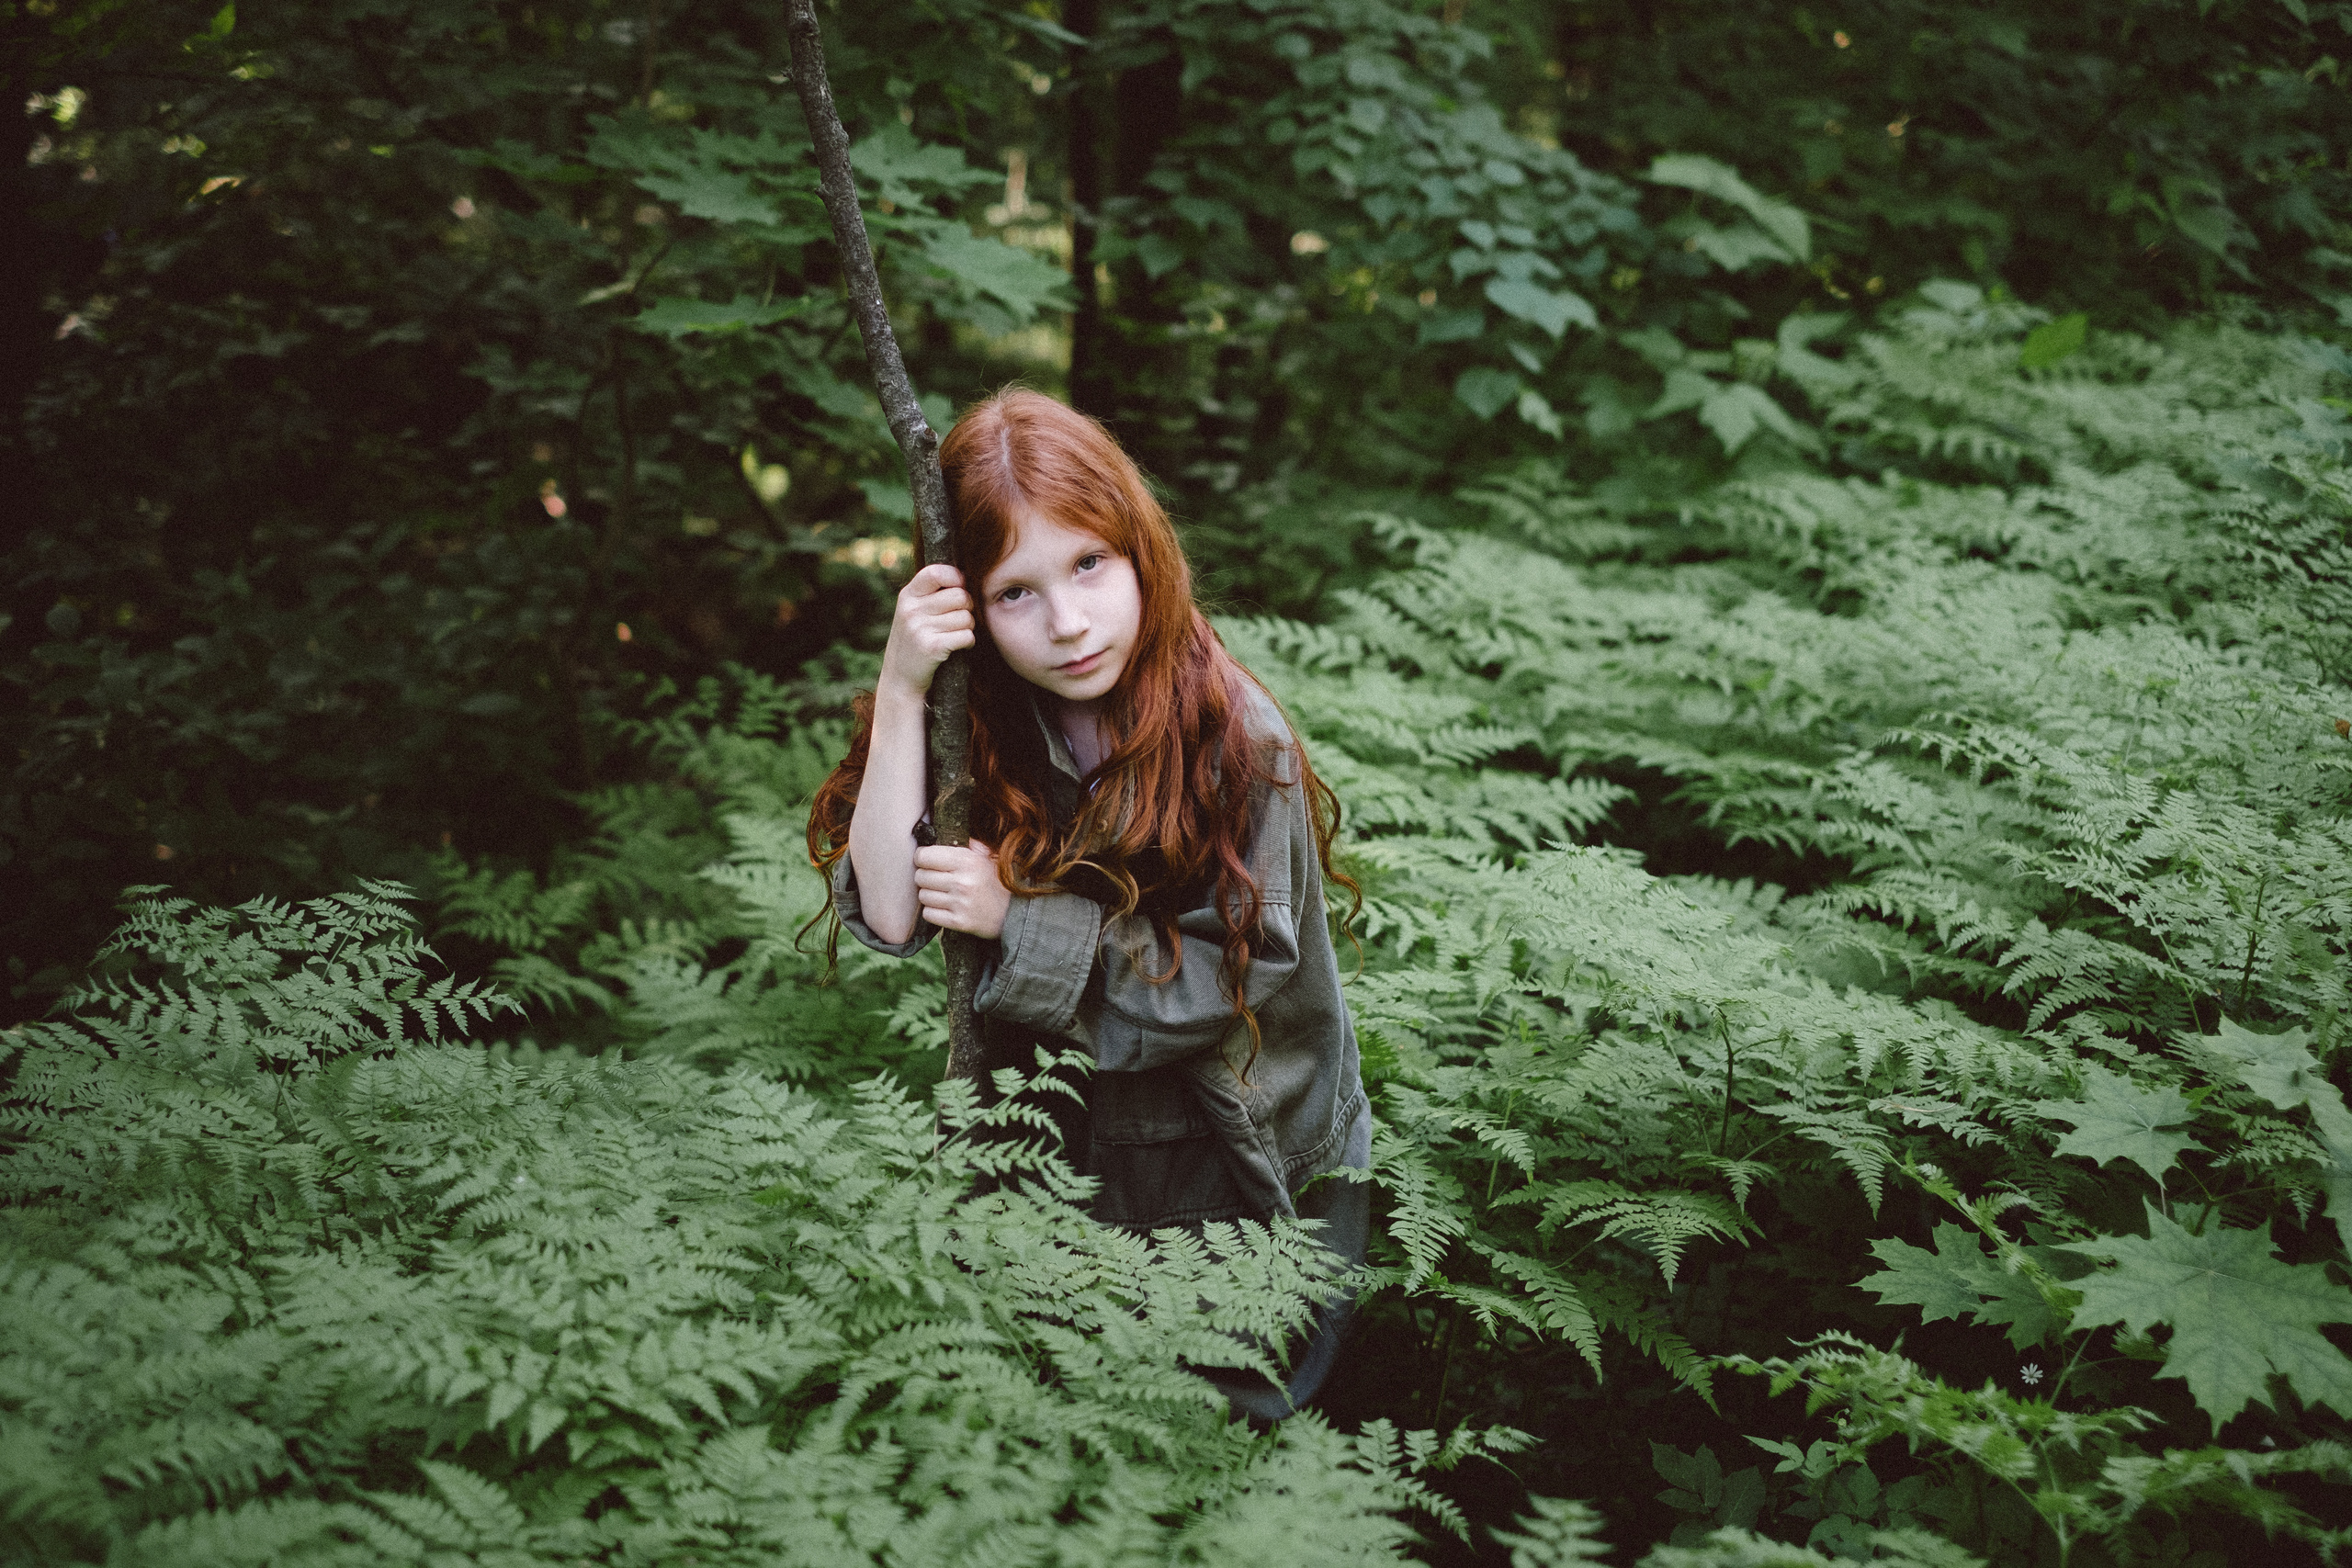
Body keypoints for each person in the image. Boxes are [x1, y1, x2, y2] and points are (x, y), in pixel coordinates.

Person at [805, 388, 1370, 1422]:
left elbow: (1223, 979)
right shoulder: (982, 719)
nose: (1066, 624)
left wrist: (1015, 921)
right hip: (1055, 1162)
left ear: (1140, 548)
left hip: (1240, 1167)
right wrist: (900, 688)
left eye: (1087, 565)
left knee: (1236, 1434)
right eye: (1014, 592)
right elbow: (890, 912)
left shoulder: (1237, 740)